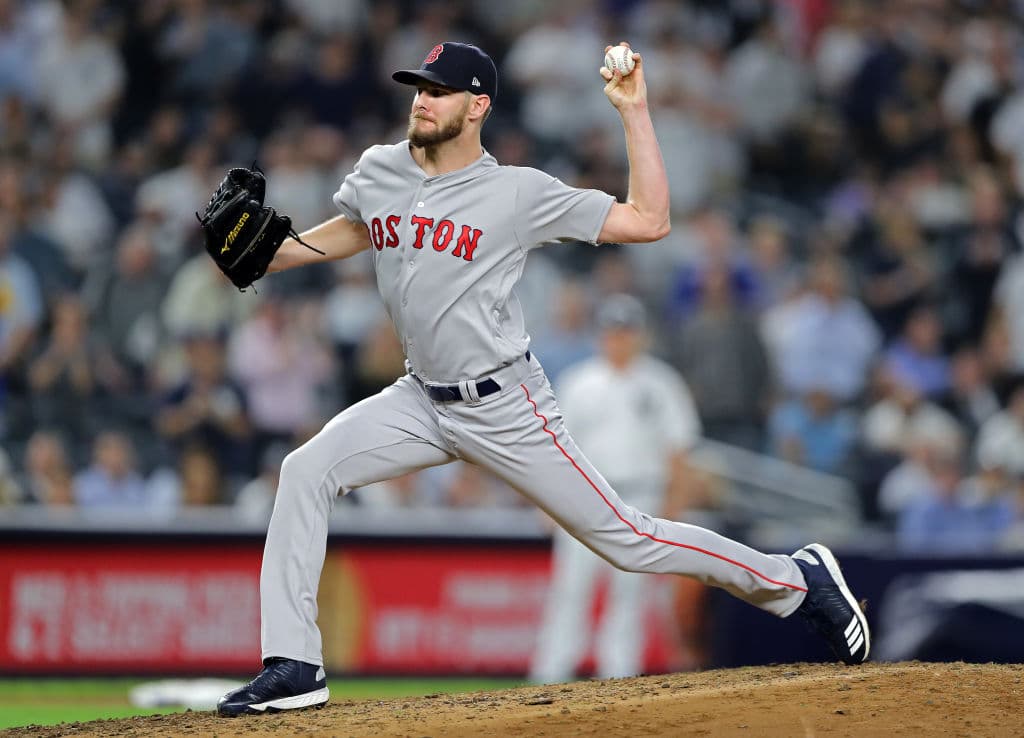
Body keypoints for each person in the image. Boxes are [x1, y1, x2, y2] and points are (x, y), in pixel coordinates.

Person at [217, 41, 870, 717]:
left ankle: (795, 577)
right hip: (419, 399)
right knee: (304, 471)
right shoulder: (381, 170)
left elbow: (649, 221)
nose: (421, 99)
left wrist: (634, 110)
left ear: (478, 106)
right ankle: (294, 665)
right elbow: (361, 228)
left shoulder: (518, 193)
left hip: (505, 402)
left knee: (629, 539)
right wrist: (271, 256)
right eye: (418, 87)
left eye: (438, 90)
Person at [529, 294, 701, 683]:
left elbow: (680, 449)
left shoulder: (661, 382)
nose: (619, 338)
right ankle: (550, 676)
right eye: (612, 331)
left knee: (629, 593)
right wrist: (547, 503)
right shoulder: (579, 381)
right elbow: (554, 448)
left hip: (642, 495)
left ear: (639, 335)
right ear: (601, 335)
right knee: (571, 590)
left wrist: (675, 505)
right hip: (585, 497)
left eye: (626, 331)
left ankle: (619, 677)